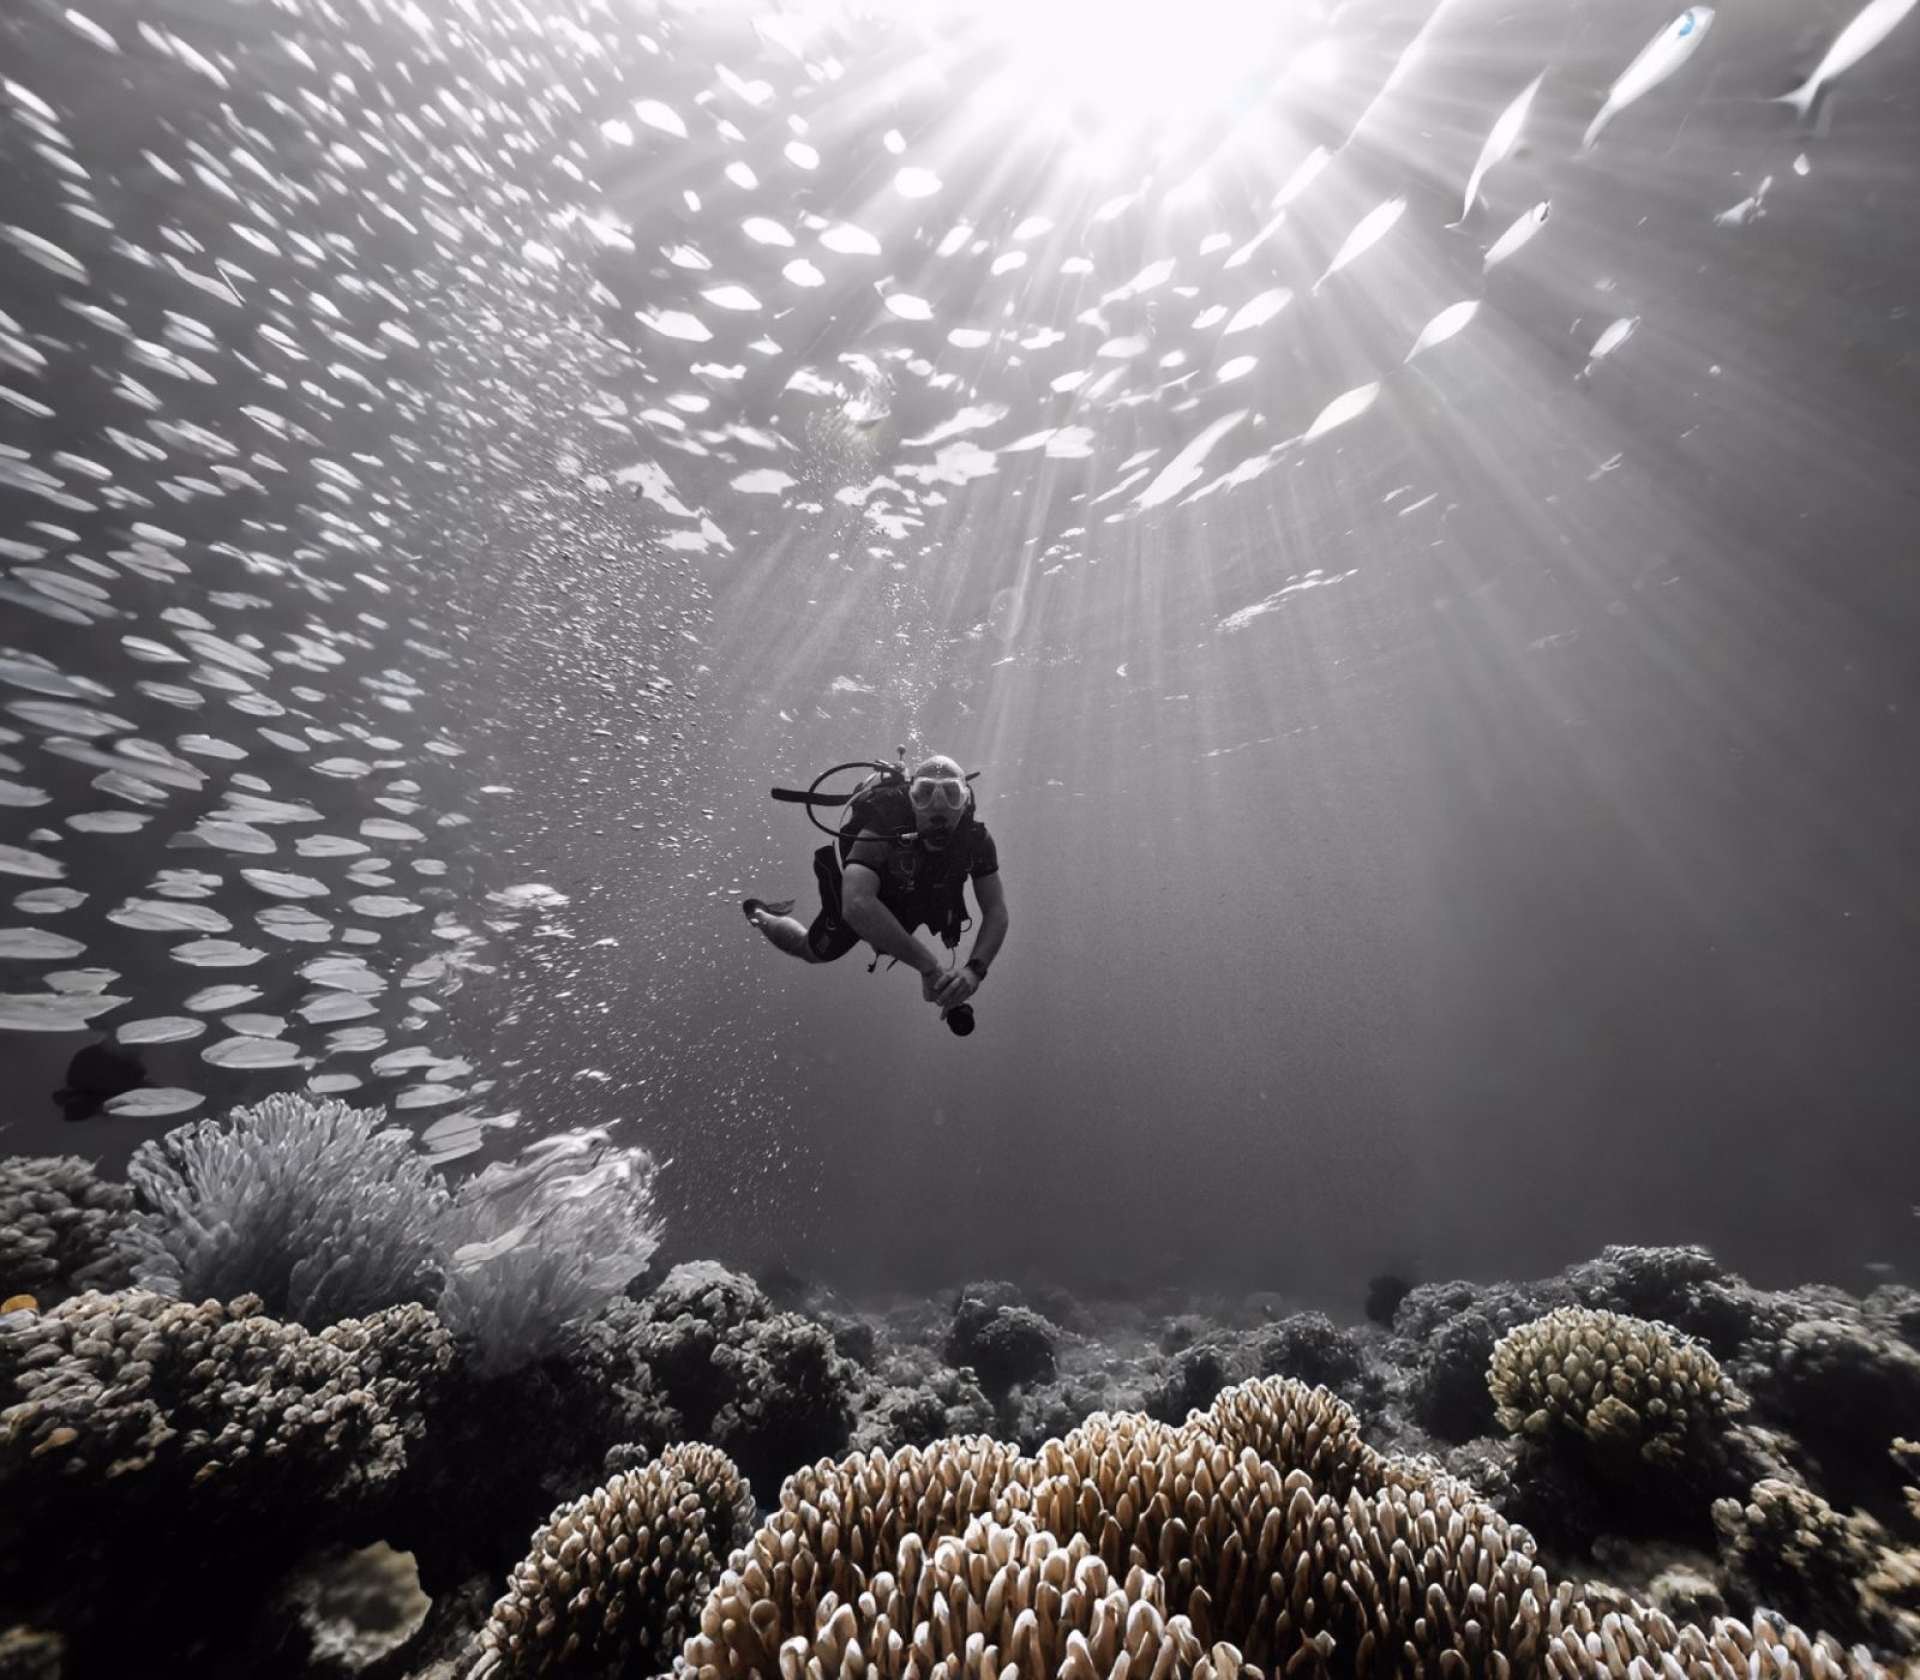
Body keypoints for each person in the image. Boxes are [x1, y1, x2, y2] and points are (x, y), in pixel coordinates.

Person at [745, 753, 1008, 1026]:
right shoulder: (885, 824)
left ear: (965, 801)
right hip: (861, 895)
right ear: (911, 799)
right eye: (925, 793)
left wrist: (975, 971)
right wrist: (929, 966)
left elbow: (996, 910)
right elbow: (857, 904)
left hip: (914, 902)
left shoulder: (976, 840)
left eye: (952, 794)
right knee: (811, 951)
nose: (937, 805)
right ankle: (758, 913)